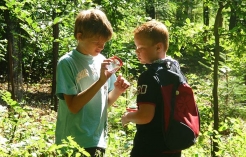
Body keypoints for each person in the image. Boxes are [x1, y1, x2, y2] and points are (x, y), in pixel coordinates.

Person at [55, 8, 130, 157]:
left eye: (104, 42)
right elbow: (73, 106)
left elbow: (105, 102)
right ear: (79, 36)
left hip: (97, 140)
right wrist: (101, 81)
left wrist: (118, 90)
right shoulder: (67, 63)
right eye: (96, 41)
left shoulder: (102, 60)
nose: (101, 46)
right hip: (74, 141)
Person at [121, 20, 182, 157]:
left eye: (141, 47)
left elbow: (145, 116)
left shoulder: (148, 77)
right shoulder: (175, 70)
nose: (137, 52)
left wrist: (128, 117)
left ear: (158, 47)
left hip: (149, 147)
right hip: (173, 145)